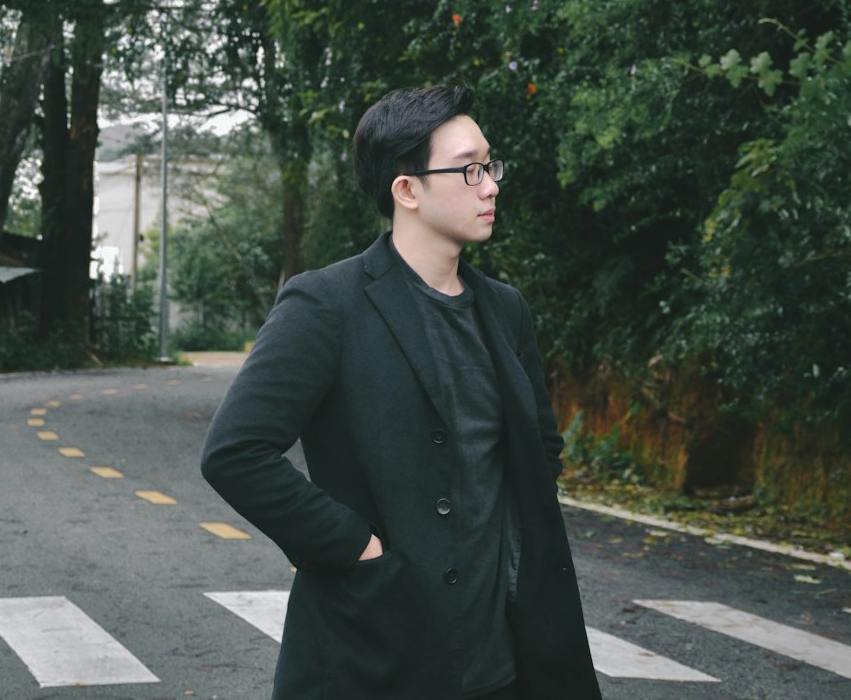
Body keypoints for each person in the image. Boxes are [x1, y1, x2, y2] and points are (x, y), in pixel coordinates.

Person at [201, 85, 602, 700]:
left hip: (505, 660)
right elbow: (236, 452)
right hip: (377, 650)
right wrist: (357, 548)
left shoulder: (505, 310)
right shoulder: (326, 304)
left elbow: (538, 450)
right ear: (406, 190)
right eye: (468, 170)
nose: (490, 184)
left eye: (489, 165)